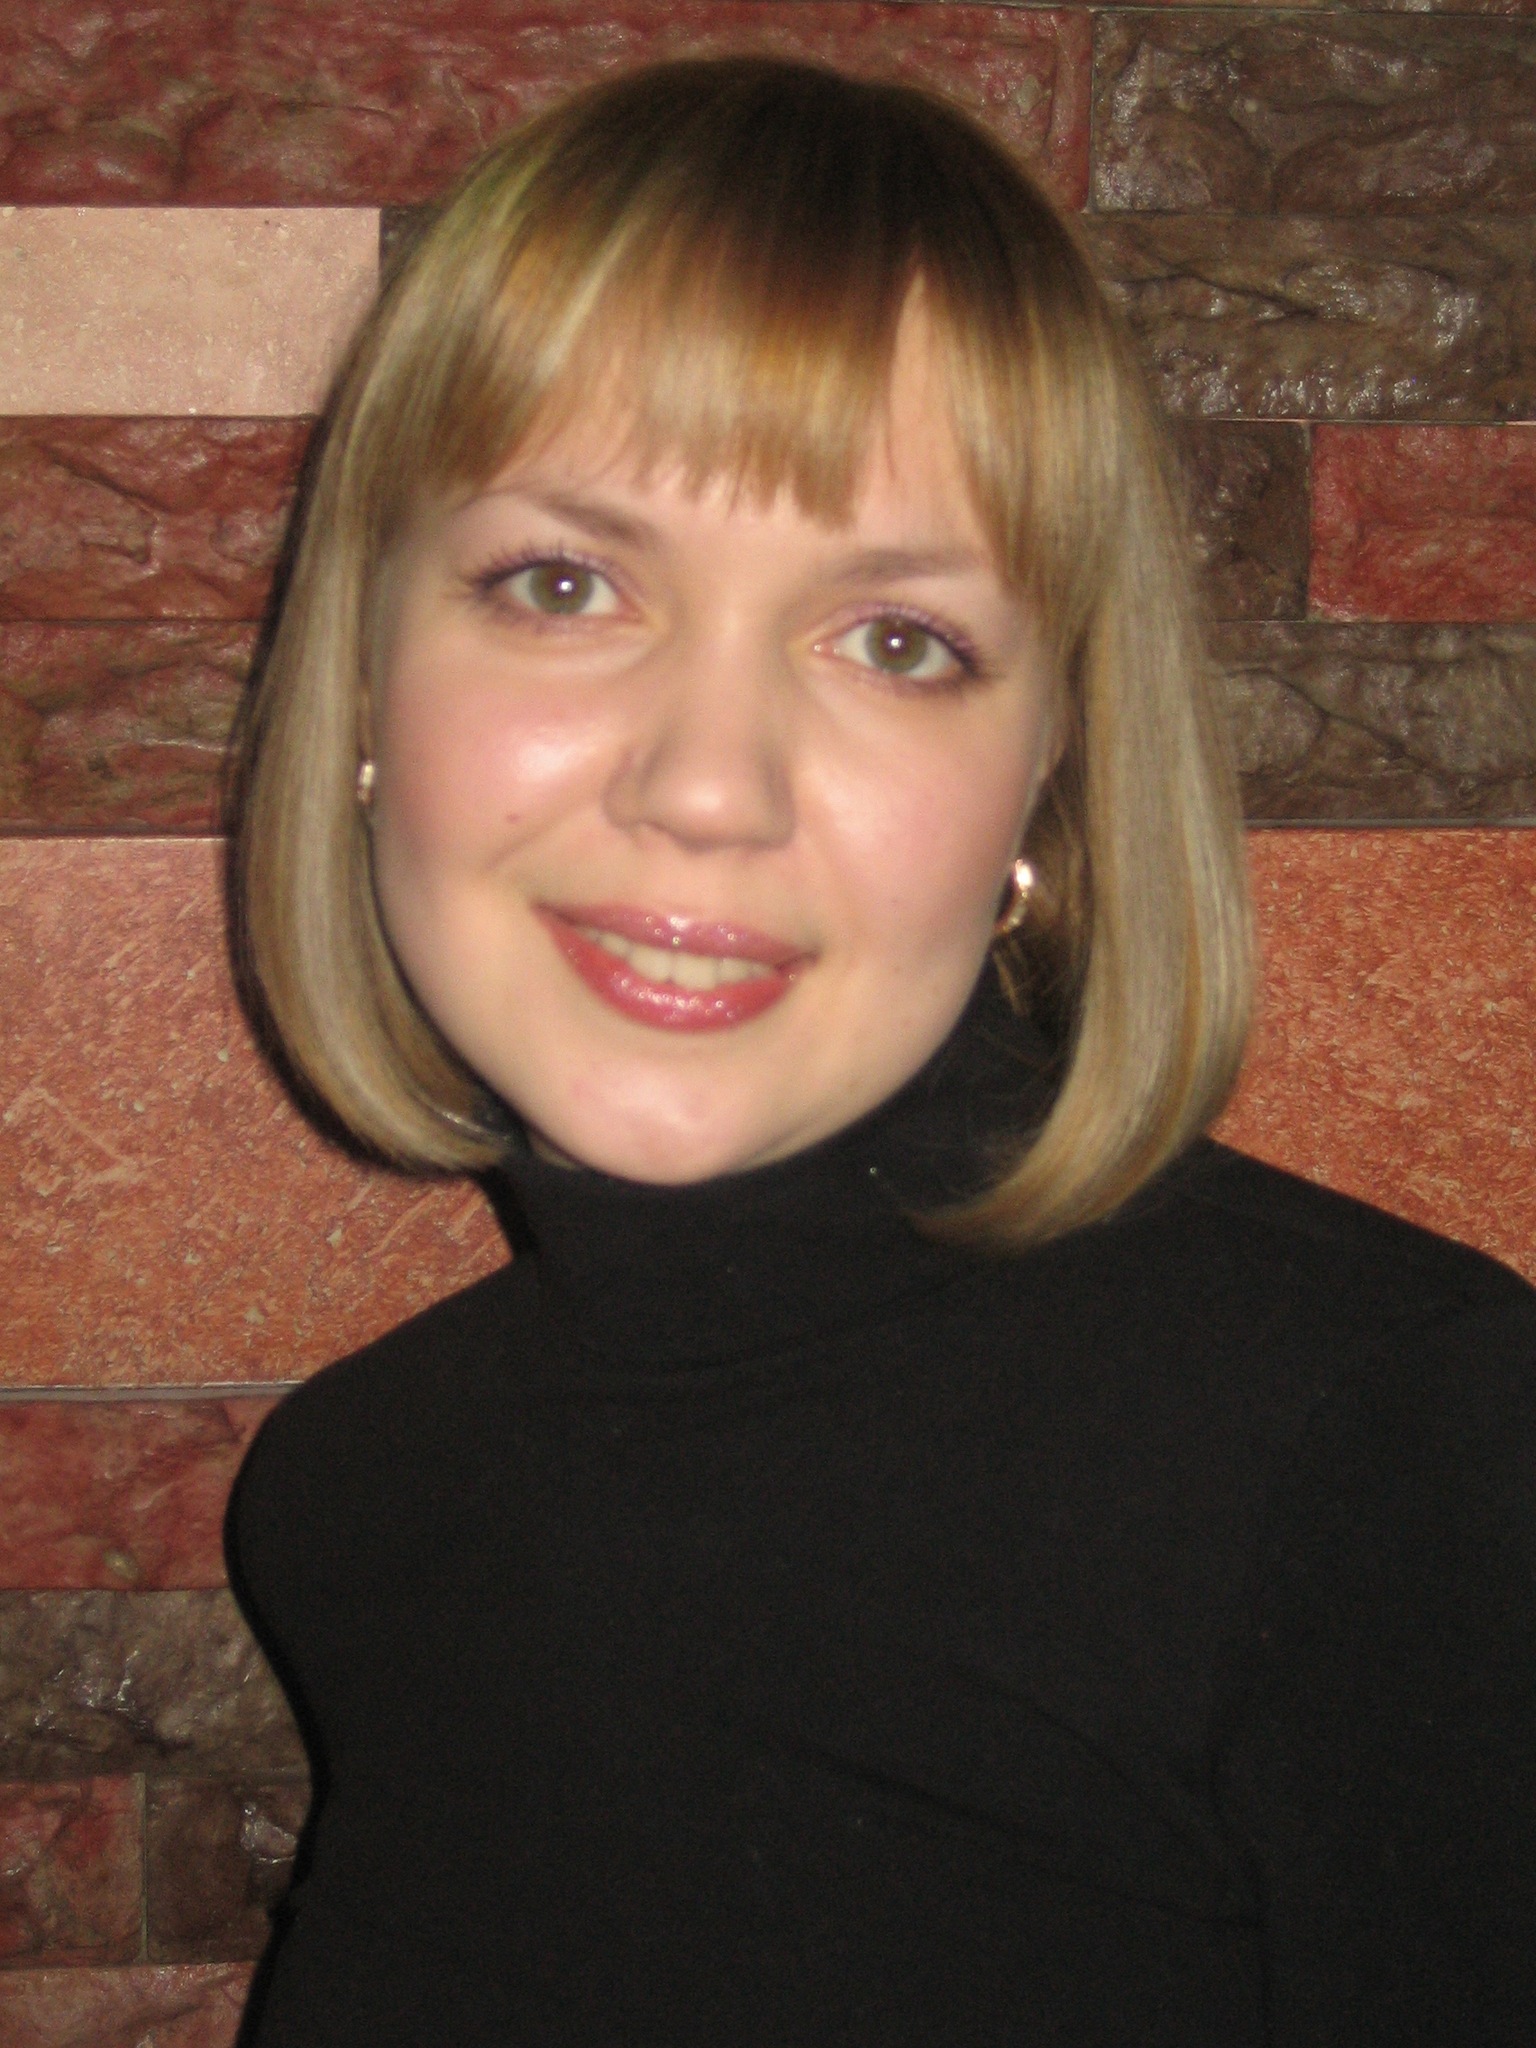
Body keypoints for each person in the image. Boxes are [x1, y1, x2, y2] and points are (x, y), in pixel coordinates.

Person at [226, 54, 1536, 2047]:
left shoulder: (1387, 1460)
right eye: (564, 585)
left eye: (898, 640)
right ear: (362, 684)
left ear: (1045, 779)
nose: (709, 784)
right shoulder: (361, 1497)